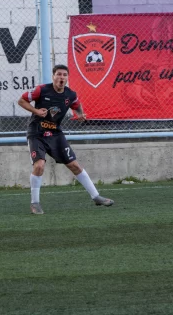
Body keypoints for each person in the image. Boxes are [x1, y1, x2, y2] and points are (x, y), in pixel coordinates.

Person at [17, 64, 114, 215]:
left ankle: (96, 197)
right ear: (53, 76)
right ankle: (35, 203)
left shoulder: (70, 94)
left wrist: (80, 114)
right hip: (37, 133)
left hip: (55, 134)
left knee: (74, 165)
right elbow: (21, 100)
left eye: (64, 75)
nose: (61, 78)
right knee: (39, 166)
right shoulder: (41, 90)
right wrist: (36, 111)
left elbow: (76, 104)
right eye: (59, 75)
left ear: (67, 78)